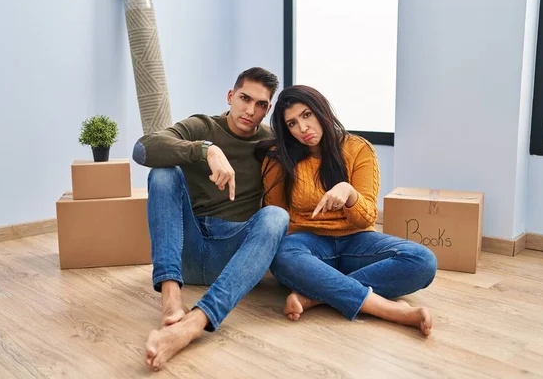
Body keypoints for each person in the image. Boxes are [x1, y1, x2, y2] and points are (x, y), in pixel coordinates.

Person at [132, 67, 289, 371]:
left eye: (261, 105)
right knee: (163, 172)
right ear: (231, 96)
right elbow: (143, 148)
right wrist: (207, 150)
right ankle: (170, 295)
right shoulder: (201, 126)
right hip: (186, 248)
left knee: (276, 217)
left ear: (267, 110)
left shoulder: (269, 141)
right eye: (245, 98)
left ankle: (194, 323)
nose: (250, 110)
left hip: (230, 254)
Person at [259, 85, 437, 336]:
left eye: (307, 115)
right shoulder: (279, 158)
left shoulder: (358, 149)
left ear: (322, 111)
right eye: (292, 123)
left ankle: (316, 297)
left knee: (423, 261)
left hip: (357, 240)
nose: (303, 128)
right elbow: (277, 219)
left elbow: (367, 217)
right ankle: (390, 310)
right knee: (282, 255)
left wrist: (349, 193)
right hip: (307, 245)